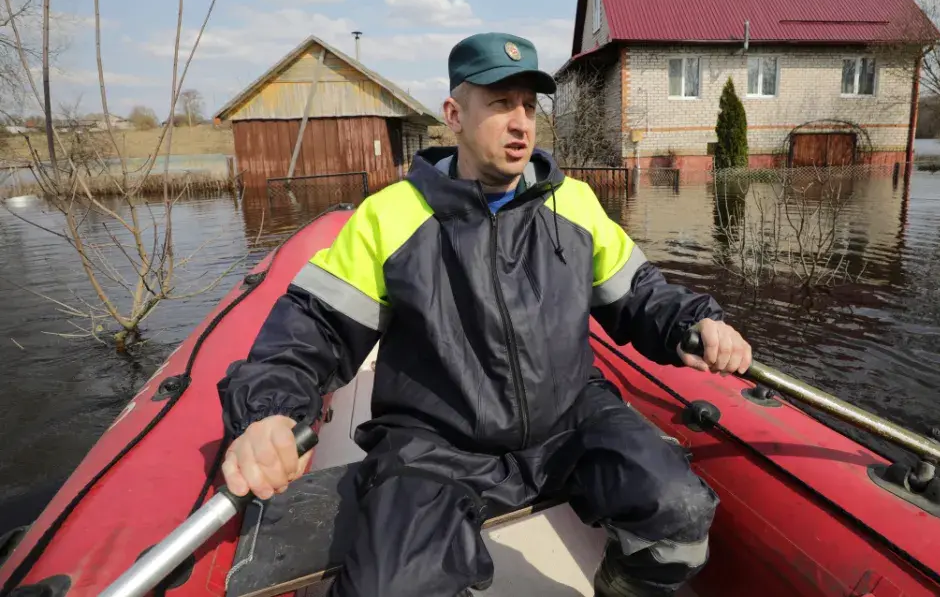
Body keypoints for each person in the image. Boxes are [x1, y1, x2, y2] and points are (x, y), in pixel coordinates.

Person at [216, 32, 753, 597]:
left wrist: (694, 322)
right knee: (391, 586)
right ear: (454, 114)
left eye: (528, 105)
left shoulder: (573, 203)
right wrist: (272, 412)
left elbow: (641, 295)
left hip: (568, 417)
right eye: (499, 103)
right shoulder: (391, 216)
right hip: (437, 443)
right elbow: (314, 328)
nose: (521, 121)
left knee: (681, 510)